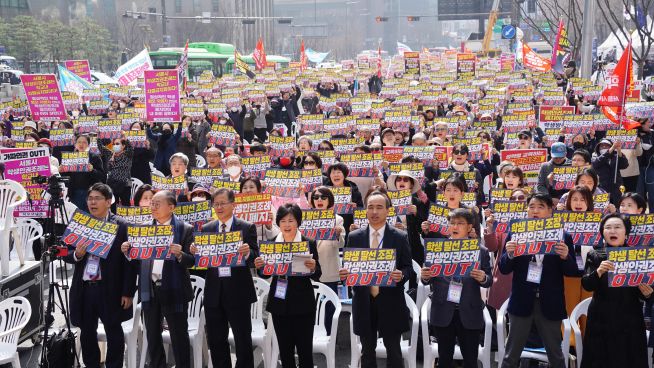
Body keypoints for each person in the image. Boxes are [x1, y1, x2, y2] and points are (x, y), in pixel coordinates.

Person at [499, 192, 579, 368]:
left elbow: (572, 272)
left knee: (556, 356)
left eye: (541, 207)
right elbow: (504, 269)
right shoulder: (516, 232)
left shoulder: (563, 236)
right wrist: (510, 253)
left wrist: (566, 257)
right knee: (511, 355)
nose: (535, 211)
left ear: (550, 211)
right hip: (521, 301)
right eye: (532, 206)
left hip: (550, 302)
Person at [64, 183, 137, 368]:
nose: (92, 203)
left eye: (97, 199)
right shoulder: (81, 223)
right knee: (87, 332)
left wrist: (127, 292)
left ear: (109, 201)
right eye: (90, 199)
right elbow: (68, 255)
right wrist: (77, 254)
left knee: (114, 330)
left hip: (110, 288)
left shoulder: (122, 226)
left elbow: (131, 263)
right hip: (86, 288)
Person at [120, 190, 195, 368]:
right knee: (152, 335)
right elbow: (136, 261)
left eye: (157, 203)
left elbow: (192, 262)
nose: (152, 207)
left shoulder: (185, 229)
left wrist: (180, 254)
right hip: (149, 288)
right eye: (152, 203)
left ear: (171, 207)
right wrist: (128, 252)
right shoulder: (143, 229)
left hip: (175, 289)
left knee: (179, 336)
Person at [339, 190, 413, 368]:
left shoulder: (399, 237)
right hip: (364, 301)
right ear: (365, 211)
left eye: (379, 207)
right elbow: (349, 268)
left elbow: (409, 268)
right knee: (367, 351)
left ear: (388, 210)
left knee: (393, 350)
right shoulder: (355, 237)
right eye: (370, 207)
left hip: (391, 300)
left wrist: (401, 275)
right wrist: (345, 275)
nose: (374, 212)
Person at [191, 188, 259, 368]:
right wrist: (196, 252)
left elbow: (256, 258)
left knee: (242, 338)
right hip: (214, 291)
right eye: (216, 204)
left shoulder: (246, 227)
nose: (219, 207)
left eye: (223, 203)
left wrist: (247, 253)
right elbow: (203, 262)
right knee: (216, 339)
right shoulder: (207, 228)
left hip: (238, 291)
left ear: (233, 205)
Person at [420, 208, 493, 368]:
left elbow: (488, 281)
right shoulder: (437, 249)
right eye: (452, 223)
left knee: (470, 360)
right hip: (443, 310)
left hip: (469, 311)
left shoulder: (481, 251)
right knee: (444, 360)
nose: (455, 226)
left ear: (469, 227)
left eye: (460, 223)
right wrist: (425, 276)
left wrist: (483, 278)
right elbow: (426, 280)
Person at [254, 203, 321, 368]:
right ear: (278, 223)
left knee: (305, 350)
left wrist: (314, 267)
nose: (287, 225)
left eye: (291, 220)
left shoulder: (308, 242)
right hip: (279, 301)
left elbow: (318, 274)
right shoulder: (271, 244)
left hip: (303, 303)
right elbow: (265, 274)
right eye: (283, 221)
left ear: (298, 222)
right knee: (285, 350)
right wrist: (260, 266)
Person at [581, 213, 651, 367]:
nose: (613, 231)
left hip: (630, 318)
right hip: (601, 318)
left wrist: (648, 293)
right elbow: (586, 285)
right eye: (608, 228)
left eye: (618, 227)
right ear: (602, 233)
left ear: (626, 233)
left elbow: (647, 293)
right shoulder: (595, 254)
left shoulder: (638, 255)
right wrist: (598, 272)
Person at [309, 186, 345, 334]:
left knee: (329, 306)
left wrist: (337, 235)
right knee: (312, 306)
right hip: (309, 268)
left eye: (323, 197)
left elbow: (341, 244)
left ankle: (331, 337)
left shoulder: (337, 219)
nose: (319, 200)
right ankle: (311, 336)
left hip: (330, 269)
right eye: (316, 197)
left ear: (329, 200)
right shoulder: (305, 218)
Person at [387, 169, 429, 265]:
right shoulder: (387, 201)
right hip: (393, 246)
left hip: (413, 247)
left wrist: (416, 214)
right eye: (399, 179)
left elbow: (423, 230)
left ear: (411, 185)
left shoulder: (417, 202)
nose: (401, 181)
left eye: (406, 180)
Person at [64, 134, 106, 211]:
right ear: (75, 144)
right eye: (79, 142)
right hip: (75, 192)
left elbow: (102, 176)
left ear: (88, 144)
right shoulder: (71, 157)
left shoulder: (94, 157)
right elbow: (67, 175)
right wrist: (62, 170)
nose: (81, 144)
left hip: (90, 192)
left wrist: (92, 170)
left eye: (84, 142)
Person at [592, 139, 629, 204]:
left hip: (616, 187)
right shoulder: (595, 156)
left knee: (617, 207)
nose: (604, 147)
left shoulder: (616, 156)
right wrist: (610, 150)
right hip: (602, 187)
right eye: (602, 146)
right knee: (604, 207)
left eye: (607, 146)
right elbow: (596, 163)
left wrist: (619, 150)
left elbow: (625, 165)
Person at [105, 137, 133, 210]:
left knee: (126, 206)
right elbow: (101, 148)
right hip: (113, 184)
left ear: (123, 146)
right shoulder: (110, 155)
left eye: (117, 144)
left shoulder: (127, 155)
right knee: (113, 206)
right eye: (114, 144)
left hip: (125, 184)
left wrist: (125, 137)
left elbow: (130, 147)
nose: (115, 146)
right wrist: (98, 136)